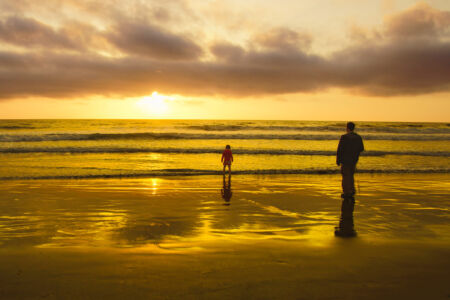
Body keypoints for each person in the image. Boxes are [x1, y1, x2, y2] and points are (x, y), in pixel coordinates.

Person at [336, 122, 364, 198]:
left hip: (345, 160)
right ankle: (352, 190)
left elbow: (340, 149)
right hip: (354, 159)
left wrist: (338, 160)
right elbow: (361, 148)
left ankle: (346, 192)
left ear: (347, 128)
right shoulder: (358, 137)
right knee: (351, 175)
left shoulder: (344, 137)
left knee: (345, 176)